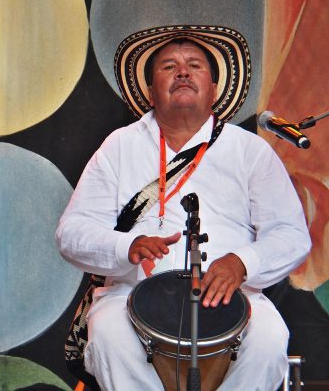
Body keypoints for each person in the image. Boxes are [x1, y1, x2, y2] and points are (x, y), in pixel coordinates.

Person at [56, 25, 311, 390]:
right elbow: (71, 231)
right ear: (149, 91)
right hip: (132, 296)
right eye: (168, 67)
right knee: (109, 332)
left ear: (214, 89)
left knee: (269, 337)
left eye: (195, 65)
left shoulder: (249, 150)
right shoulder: (119, 146)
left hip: (232, 295)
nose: (182, 72)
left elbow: (291, 235)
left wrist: (242, 263)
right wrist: (125, 247)